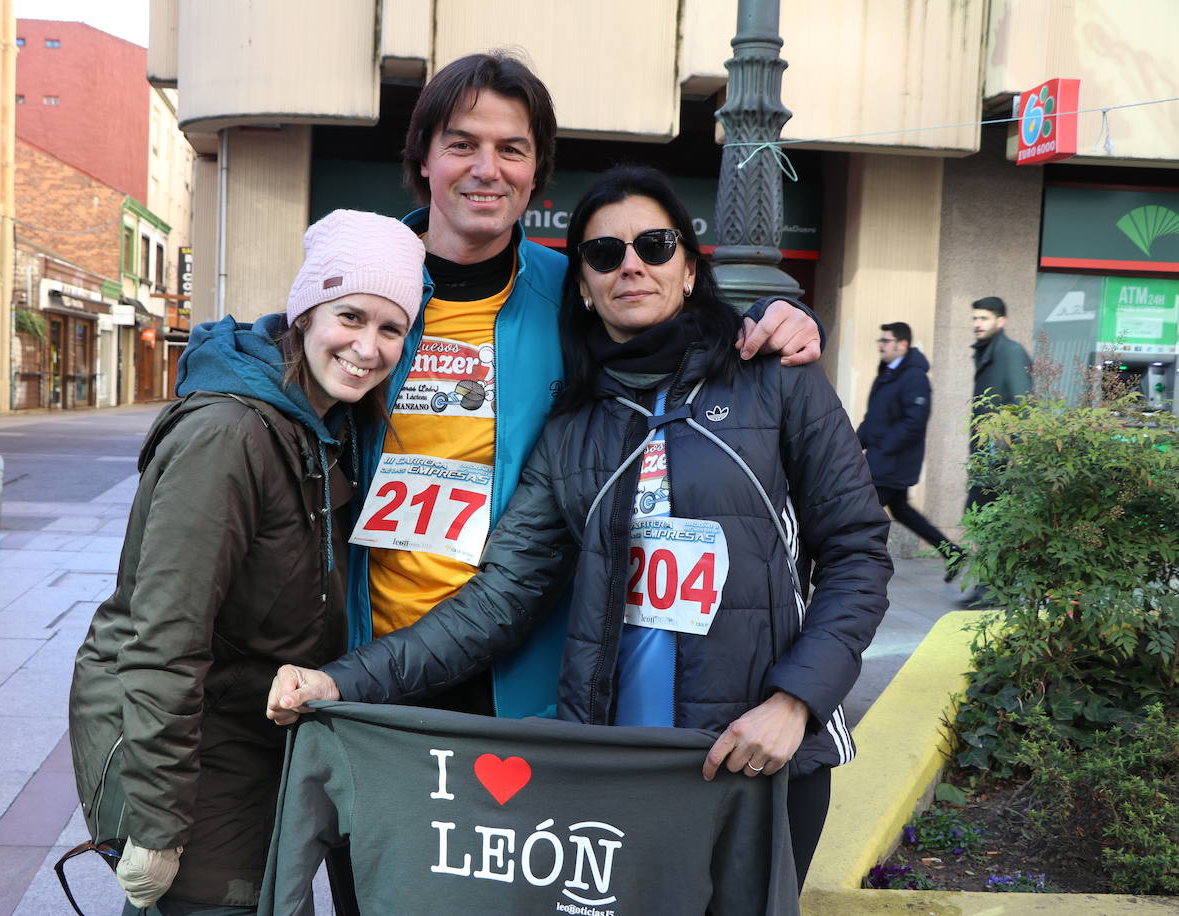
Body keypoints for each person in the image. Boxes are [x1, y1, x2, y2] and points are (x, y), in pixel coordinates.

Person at [272, 166, 892, 888]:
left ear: (689, 269)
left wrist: (797, 704)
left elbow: (856, 551)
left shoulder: (779, 379)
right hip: (619, 767)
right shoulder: (572, 433)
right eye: (603, 254)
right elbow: (499, 599)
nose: (630, 264)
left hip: (763, 753)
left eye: (654, 245)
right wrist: (342, 682)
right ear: (586, 289)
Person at [346, 50, 826, 724]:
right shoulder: (362, 282)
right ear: (424, 158)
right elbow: (272, 365)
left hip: (526, 667)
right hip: (370, 644)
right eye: (462, 145)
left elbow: (676, 329)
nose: (487, 168)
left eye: (510, 148)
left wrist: (780, 319)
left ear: (535, 172)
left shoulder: (571, 290)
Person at [65, 210, 425, 916]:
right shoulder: (229, 434)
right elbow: (164, 637)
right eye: (349, 315)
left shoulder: (324, 425)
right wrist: (158, 824)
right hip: (190, 749)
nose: (368, 346)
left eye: (391, 329)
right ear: (305, 313)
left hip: (256, 730)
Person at [857, 321, 964, 580]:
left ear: (902, 344)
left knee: (860, 513)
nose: (881, 345)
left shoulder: (914, 377)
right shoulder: (887, 372)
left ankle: (863, 567)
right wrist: (853, 443)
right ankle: (952, 552)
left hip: (893, 462)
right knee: (901, 510)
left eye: (886, 340)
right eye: (880, 340)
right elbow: (874, 417)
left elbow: (914, 421)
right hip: (883, 457)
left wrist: (884, 446)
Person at [959, 295, 1033, 606]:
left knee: (989, 521)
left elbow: (1022, 404)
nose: (977, 324)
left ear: (1000, 322)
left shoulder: (1010, 353)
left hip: (1000, 458)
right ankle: (990, 588)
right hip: (987, 456)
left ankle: (994, 590)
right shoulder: (990, 351)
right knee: (981, 520)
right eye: (975, 318)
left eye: (984, 319)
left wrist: (1012, 452)